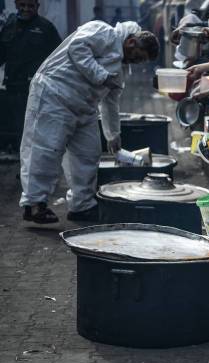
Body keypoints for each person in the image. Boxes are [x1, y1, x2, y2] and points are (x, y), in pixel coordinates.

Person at [19, 20, 159, 224]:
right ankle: (33, 204)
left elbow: (111, 103)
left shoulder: (119, 70)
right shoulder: (103, 32)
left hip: (84, 107)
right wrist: (101, 76)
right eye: (138, 57)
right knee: (45, 149)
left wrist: (113, 135)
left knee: (88, 155)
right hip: (54, 93)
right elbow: (77, 48)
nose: (136, 63)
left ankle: (81, 206)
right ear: (130, 43)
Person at [0, 0, 61, 150]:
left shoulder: (46, 28)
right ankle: (24, 168)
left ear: (37, 7)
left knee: (35, 130)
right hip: (13, 88)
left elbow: (58, 58)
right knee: (19, 129)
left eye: (30, 6)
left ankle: (33, 169)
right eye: (22, 5)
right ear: (16, 4)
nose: (26, 9)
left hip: (37, 89)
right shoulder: (8, 26)